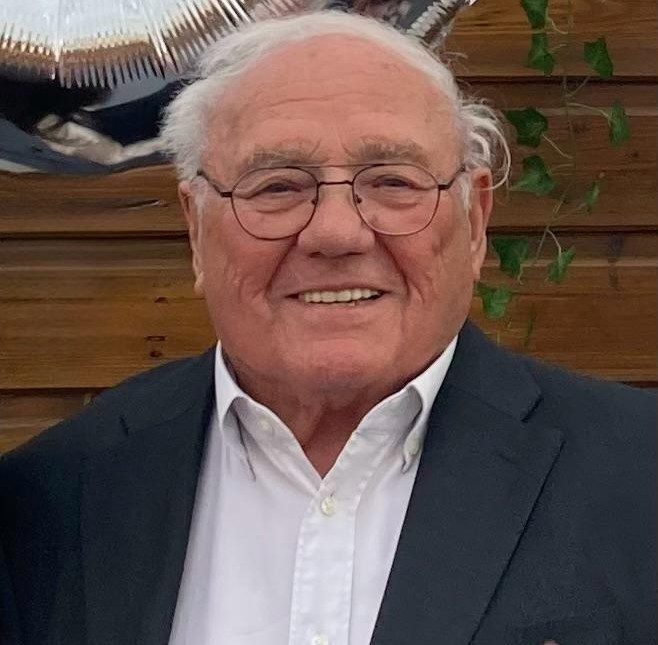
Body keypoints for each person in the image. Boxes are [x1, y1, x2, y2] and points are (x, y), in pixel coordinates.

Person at [0, 11, 655, 645]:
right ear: (196, 227)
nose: (337, 232)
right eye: (276, 186)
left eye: (393, 181)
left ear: (475, 221)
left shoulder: (639, 476)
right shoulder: (47, 502)